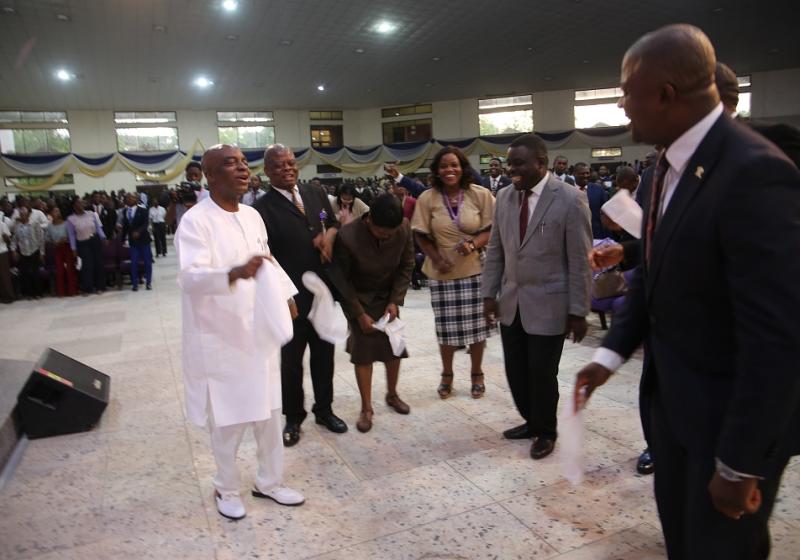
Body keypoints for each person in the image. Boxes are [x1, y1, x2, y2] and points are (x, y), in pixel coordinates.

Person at [573, 24, 800, 560]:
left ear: (665, 94)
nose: (623, 106)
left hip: (728, 422)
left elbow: (776, 339)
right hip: (675, 406)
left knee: (722, 549)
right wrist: (608, 356)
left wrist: (739, 463)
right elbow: (655, 271)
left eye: (626, 91)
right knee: (683, 540)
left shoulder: (755, 171)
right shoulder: (666, 165)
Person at [175, 144, 304, 521]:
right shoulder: (197, 221)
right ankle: (226, 487)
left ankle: (270, 481)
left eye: (244, 163)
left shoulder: (251, 215)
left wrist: (287, 294)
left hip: (258, 331)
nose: (243, 169)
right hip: (223, 337)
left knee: (269, 414)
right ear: (210, 175)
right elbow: (190, 277)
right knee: (230, 419)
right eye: (231, 164)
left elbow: (266, 259)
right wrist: (232, 273)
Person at [482, 133, 592, 460]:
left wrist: (578, 310)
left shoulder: (570, 199)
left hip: (550, 303)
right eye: (509, 163)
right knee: (517, 372)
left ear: (540, 164)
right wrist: (489, 294)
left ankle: (546, 430)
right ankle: (531, 421)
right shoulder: (504, 197)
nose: (510, 170)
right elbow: (496, 249)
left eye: (518, 164)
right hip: (511, 302)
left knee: (542, 373)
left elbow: (580, 260)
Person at [254, 144, 348, 447]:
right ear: (268, 171)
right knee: (291, 361)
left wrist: (329, 237)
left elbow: (330, 222)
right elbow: (264, 256)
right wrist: (281, 296)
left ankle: (325, 410)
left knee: (324, 355)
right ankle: (293, 418)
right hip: (290, 298)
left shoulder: (315, 194)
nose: (288, 169)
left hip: (322, 292)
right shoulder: (261, 209)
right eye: (280, 165)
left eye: (291, 163)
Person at [410, 146, 495, 399]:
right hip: (442, 272)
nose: (449, 170)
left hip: (475, 269)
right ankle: (447, 375)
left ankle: (477, 374)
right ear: (436, 170)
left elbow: (493, 229)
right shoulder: (428, 198)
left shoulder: (480, 194)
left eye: (454, 165)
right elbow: (420, 233)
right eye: (444, 166)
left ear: (463, 168)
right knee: (446, 329)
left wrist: (472, 244)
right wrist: (435, 257)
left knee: (478, 327)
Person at [330, 194, 415, 432]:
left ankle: (392, 394)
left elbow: (407, 264)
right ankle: (366, 408)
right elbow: (342, 280)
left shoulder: (404, 227)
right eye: (381, 233)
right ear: (368, 221)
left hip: (388, 296)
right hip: (359, 297)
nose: (387, 237)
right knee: (363, 353)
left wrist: (395, 300)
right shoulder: (348, 236)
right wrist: (358, 314)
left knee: (394, 348)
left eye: (391, 233)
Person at [66, 198, 106, 295]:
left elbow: (98, 228)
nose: (82, 204)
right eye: (79, 203)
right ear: (74, 206)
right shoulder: (70, 219)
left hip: (95, 240)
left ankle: (99, 287)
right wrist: (73, 248)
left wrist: (103, 237)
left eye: (82, 202)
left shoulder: (91, 214)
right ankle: (87, 288)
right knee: (87, 266)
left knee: (98, 264)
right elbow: (71, 235)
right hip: (82, 243)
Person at [10, 207, 45, 299]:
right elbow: (14, 241)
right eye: (21, 215)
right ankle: (29, 294)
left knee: (35, 273)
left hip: (34, 251)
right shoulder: (17, 227)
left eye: (24, 214)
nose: (23, 216)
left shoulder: (35, 224)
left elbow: (41, 239)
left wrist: (42, 252)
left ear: (28, 215)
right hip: (23, 252)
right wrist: (13, 251)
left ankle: (38, 293)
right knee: (26, 273)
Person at [121, 193, 153, 291]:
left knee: (147, 262)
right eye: (128, 198)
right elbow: (126, 227)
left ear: (136, 200)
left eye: (132, 198)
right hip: (133, 241)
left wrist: (138, 231)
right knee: (133, 262)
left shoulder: (143, 210)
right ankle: (134, 284)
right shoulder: (125, 211)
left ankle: (148, 282)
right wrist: (123, 239)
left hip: (144, 240)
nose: (129, 199)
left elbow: (145, 223)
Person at [46, 207, 78, 297]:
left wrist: (65, 239)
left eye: (58, 211)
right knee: (60, 270)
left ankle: (72, 291)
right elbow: (47, 238)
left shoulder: (66, 224)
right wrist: (53, 242)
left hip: (67, 247)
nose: (57, 213)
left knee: (70, 269)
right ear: (51, 214)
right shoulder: (49, 226)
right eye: (55, 211)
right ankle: (61, 292)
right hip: (57, 249)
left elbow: (72, 236)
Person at [0, 216, 13, 303]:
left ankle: (9, 296)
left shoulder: (2, 224)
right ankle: (2, 296)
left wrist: (6, 237)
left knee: (5, 276)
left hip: (2, 252)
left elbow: (8, 239)